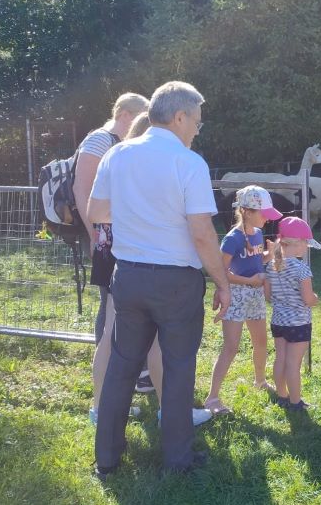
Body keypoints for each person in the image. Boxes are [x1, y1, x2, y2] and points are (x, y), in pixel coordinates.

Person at [86, 80, 229, 479]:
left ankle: (108, 459)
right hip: (176, 282)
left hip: (127, 275)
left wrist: (138, 219)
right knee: (179, 366)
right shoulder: (188, 162)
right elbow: (201, 231)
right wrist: (222, 281)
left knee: (122, 366)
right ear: (180, 116)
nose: (198, 130)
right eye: (197, 122)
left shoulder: (117, 154)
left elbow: (98, 212)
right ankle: (178, 459)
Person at [87, 111, 212, 428]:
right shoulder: (154, 164)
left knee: (122, 338)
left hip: (119, 255)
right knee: (134, 340)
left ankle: (110, 410)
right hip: (134, 257)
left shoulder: (120, 162)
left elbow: (98, 211)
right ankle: (151, 412)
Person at [74, 92, 149, 344]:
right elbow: (81, 189)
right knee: (109, 300)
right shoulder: (100, 140)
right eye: (140, 117)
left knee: (125, 301)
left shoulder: (122, 143)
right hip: (103, 235)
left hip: (116, 233)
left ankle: (128, 364)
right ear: (125, 114)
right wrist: (93, 234)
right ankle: (106, 364)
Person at [203, 185, 281, 415]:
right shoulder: (233, 239)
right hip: (236, 295)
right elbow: (220, 271)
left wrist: (272, 252)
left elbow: (257, 259)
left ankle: (260, 380)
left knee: (261, 342)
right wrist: (249, 282)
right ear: (247, 211)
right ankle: (212, 397)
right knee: (231, 347)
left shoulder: (257, 234)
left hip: (255, 295)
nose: (267, 218)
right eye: (263, 213)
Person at [264, 216, 320, 411]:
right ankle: (296, 402)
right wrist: (315, 298)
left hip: (278, 321)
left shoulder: (271, 266)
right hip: (299, 323)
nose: (307, 248)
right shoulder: (302, 269)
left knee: (280, 358)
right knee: (293, 364)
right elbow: (307, 299)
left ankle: (282, 395)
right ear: (298, 244)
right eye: (306, 243)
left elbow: (268, 295)